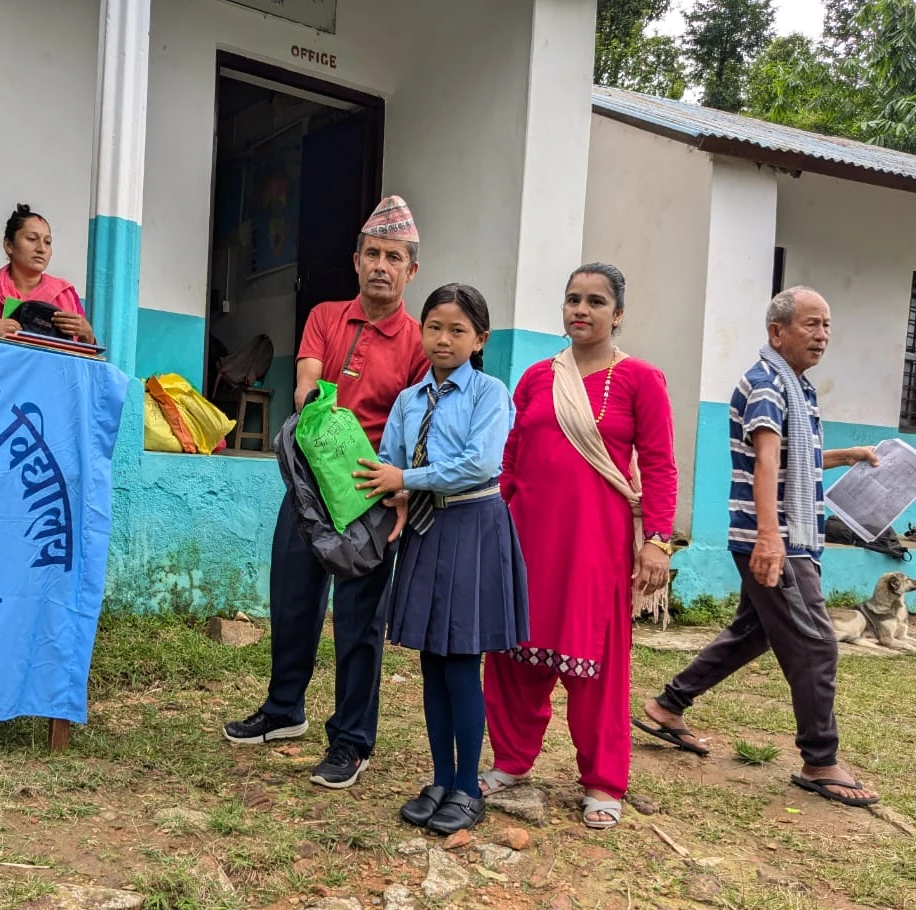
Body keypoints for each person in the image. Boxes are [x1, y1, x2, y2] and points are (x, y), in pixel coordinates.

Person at [634, 286, 881, 807]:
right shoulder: (769, 385)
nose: (822, 335)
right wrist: (771, 538)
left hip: (778, 537)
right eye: (811, 324)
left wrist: (848, 455)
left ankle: (668, 706)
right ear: (777, 331)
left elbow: (791, 455)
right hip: (776, 539)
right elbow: (766, 462)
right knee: (816, 644)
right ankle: (820, 760)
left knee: (754, 632)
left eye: (827, 325)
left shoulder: (794, 386)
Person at [223, 195, 429, 790]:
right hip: (310, 485)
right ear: (357, 259)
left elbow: (420, 426)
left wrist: (402, 490)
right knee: (292, 597)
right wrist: (313, 402)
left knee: (359, 622)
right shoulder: (325, 315)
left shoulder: (419, 342)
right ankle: (283, 709)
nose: (381, 265)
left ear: (412, 270)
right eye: (373, 254)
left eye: (394, 257)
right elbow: (305, 382)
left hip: (371, 496)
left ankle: (351, 741)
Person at [481, 263, 678, 830]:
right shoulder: (537, 378)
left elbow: (660, 465)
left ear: (618, 315)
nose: (581, 310)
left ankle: (602, 780)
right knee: (514, 651)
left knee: (596, 661)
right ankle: (512, 761)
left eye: (595, 301)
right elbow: (512, 458)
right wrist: (494, 525)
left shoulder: (641, 379)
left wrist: (657, 542)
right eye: (573, 299)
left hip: (597, 544)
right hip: (527, 537)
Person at [353, 283, 525, 833]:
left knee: (461, 662)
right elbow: (390, 462)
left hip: (472, 528)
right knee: (431, 660)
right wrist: (393, 492)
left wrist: (407, 478)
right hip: (426, 531)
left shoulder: (489, 394)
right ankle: (440, 778)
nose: (443, 339)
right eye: (433, 327)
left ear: (480, 339)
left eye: (457, 330)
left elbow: (479, 464)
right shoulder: (409, 400)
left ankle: (468, 787)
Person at [0, 204, 94, 343]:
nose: (42, 249)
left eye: (47, 242)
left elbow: (86, 356)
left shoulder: (66, 294)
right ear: (9, 245)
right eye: (32, 239)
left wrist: (87, 336)